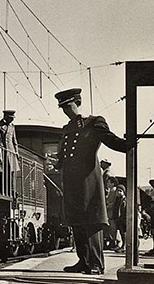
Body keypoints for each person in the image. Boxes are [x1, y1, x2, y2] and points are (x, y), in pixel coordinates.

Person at [53, 88, 128, 275]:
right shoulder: (67, 129)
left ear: (77, 103)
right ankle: (83, 261)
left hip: (88, 180)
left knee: (92, 221)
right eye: (63, 108)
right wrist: (57, 163)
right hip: (71, 180)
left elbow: (110, 139)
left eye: (68, 106)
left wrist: (127, 144)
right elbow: (64, 155)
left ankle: (96, 263)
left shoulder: (94, 122)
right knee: (76, 221)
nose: (66, 111)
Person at [113, 184, 127, 253]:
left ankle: (124, 245)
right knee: (121, 232)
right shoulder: (117, 200)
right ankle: (123, 245)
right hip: (119, 218)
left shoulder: (125, 200)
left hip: (123, 218)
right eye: (117, 191)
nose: (118, 193)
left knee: (124, 232)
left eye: (120, 191)